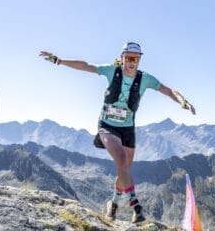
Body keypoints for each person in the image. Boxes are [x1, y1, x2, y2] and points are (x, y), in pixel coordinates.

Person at [39, 42, 195, 223]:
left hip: (128, 128)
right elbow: (86, 65)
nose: (131, 62)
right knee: (121, 160)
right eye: (128, 57)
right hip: (107, 125)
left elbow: (168, 91)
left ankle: (113, 204)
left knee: (124, 169)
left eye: (135, 58)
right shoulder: (112, 70)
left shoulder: (145, 79)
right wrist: (58, 60)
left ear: (139, 60)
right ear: (122, 57)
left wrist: (183, 101)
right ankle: (136, 207)